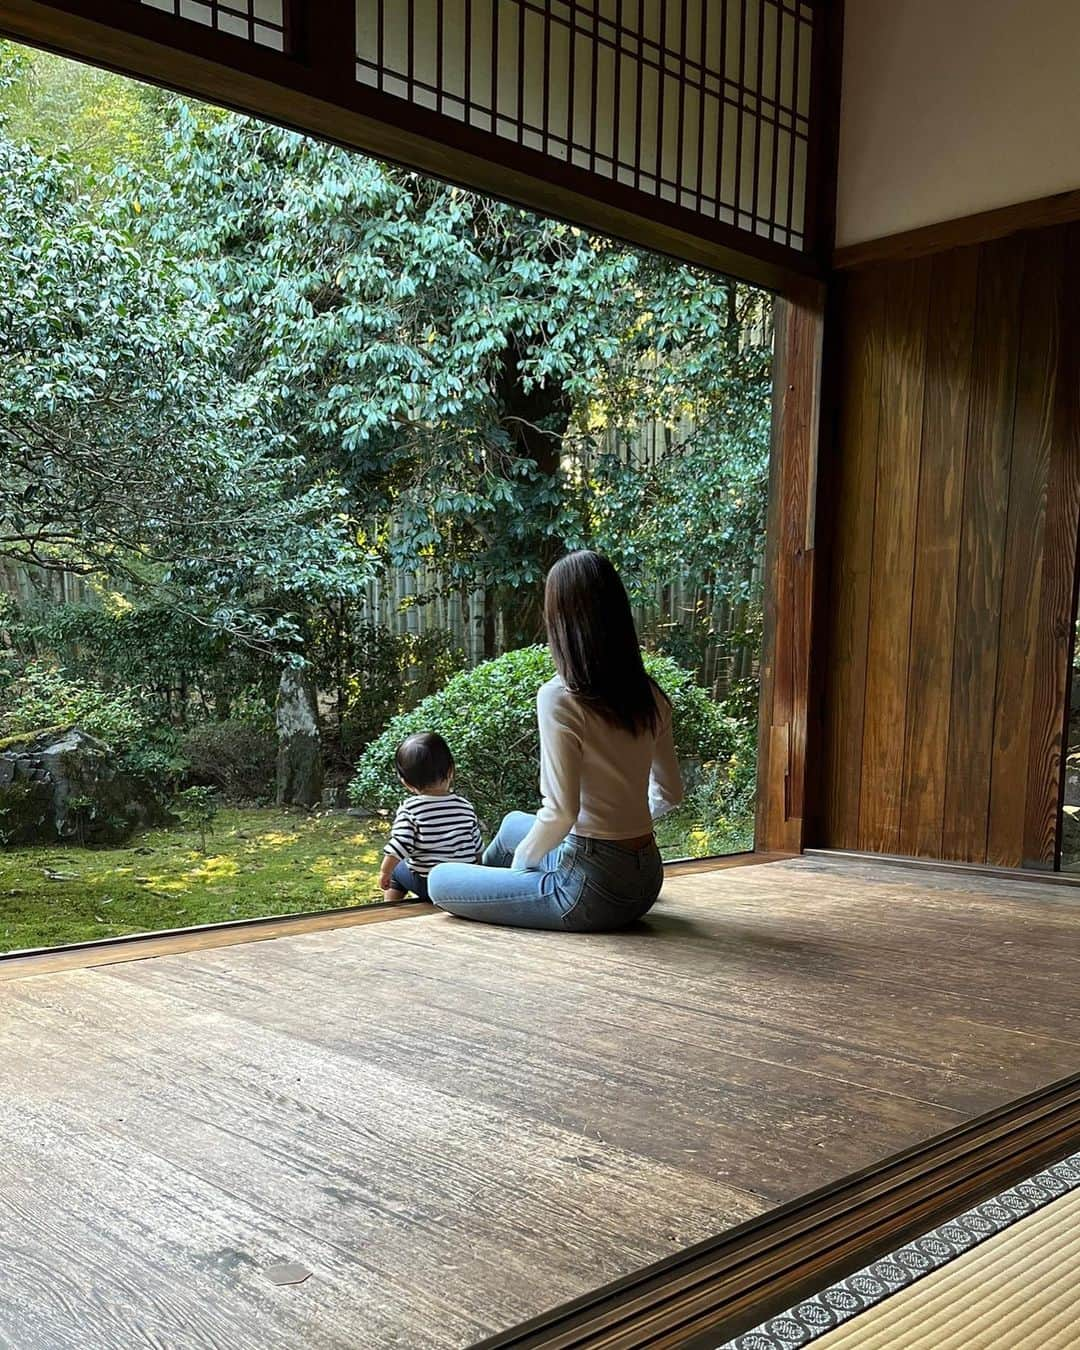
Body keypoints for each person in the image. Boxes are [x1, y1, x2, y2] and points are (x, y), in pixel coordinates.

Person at [427, 550, 683, 930]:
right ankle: (496, 885)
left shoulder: (561, 697)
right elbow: (670, 793)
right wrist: (622, 823)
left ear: (561, 620)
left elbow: (561, 812)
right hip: (645, 878)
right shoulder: (649, 694)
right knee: (515, 823)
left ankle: (505, 888)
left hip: (591, 892)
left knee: (439, 880)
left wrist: (521, 868)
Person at [377, 732, 483, 902]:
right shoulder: (465, 806)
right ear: (451, 770)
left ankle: (389, 908)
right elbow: (477, 849)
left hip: (430, 885)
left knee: (398, 870)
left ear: (406, 783)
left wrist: (385, 872)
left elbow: (399, 845)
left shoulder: (411, 809)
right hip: (463, 884)